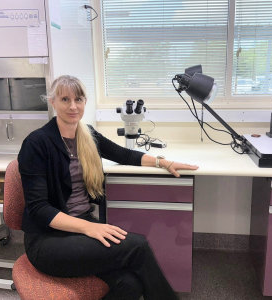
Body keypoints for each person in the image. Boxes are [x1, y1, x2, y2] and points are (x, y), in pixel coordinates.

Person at [17, 75, 199, 300]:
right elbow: (39, 209)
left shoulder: (87, 134)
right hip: (47, 241)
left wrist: (163, 162)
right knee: (137, 246)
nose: (73, 106)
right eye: (65, 99)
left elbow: (123, 154)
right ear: (53, 102)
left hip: (79, 230)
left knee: (131, 285)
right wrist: (88, 228)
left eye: (79, 99)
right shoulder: (36, 143)